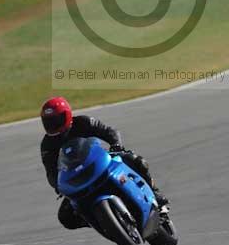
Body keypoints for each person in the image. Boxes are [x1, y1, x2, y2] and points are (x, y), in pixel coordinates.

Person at [40, 96, 169, 230]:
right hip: (76, 179)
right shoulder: (47, 144)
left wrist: (116, 145)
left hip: (100, 163)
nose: (53, 125)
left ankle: (156, 194)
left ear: (67, 115)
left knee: (136, 161)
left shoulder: (83, 122)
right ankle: (99, 220)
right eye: (49, 122)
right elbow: (50, 171)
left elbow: (109, 131)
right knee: (65, 217)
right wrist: (58, 185)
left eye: (56, 120)